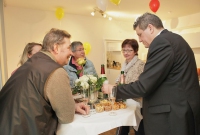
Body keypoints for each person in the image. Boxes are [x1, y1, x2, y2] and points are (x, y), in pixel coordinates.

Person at [102, 12, 200, 135]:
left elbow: (144, 85)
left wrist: (114, 90)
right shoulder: (174, 39)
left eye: (140, 34)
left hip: (172, 116)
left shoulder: (162, 43)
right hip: (180, 110)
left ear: (150, 28)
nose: (140, 39)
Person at [0, 28, 89, 135]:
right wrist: (70, 108)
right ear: (56, 48)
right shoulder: (55, 71)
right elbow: (66, 117)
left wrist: (73, 106)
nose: (71, 52)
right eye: (69, 48)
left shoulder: (33, 62)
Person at [115, 39, 145, 135]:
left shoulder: (140, 64)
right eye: (124, 50)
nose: (126, 53)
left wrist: (121, 86)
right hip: (125, 99)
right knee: (123, 125)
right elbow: (120, 79)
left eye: (129, 50)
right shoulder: (124, 64)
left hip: (136, 101)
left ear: (135, 51)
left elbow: (138, 84)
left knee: (138, 128)